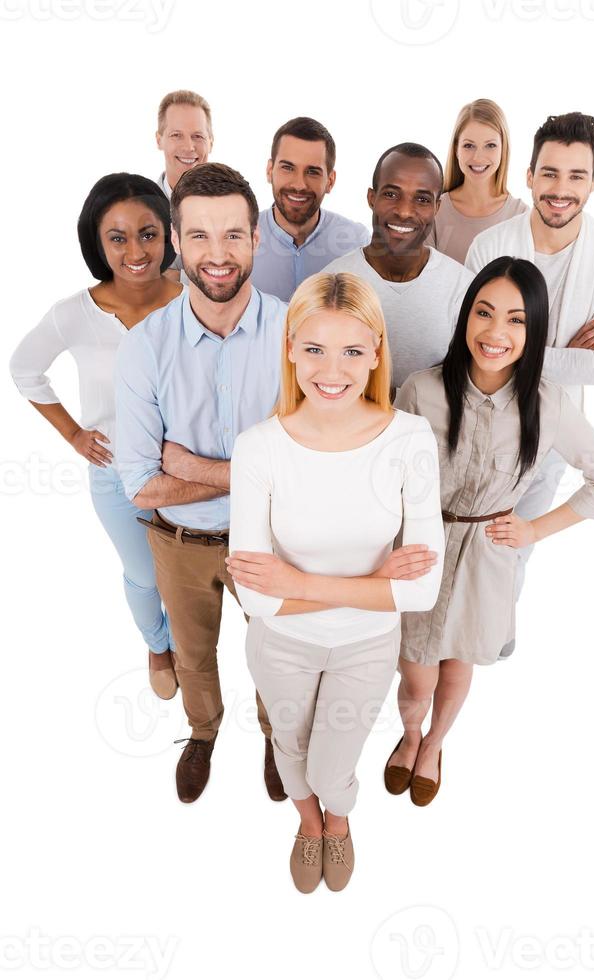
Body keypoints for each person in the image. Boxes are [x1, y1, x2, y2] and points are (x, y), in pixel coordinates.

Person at [384, 257, 594, 806]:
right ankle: (409, 735)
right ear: (465, 317)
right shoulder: (421, 390)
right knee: (415, 678)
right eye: (484, 313)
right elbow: (386, 478)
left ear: (534, 330)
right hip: (423, 552)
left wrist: (535, 531)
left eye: (516, 320)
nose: (496, 333)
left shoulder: (547, 404)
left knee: (457, 668)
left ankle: (434, 747)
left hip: (489, 558)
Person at [226, 272, 444, 892]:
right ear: (290, 348)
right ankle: (309, 824)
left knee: (332, 761)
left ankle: (339, 822)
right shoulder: (258, 448)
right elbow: (256, 596)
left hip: (365, 646)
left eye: (352, 351)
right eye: (315, 348)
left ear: (376, 353)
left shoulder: (409, 439)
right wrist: (375, 582)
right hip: (280, 645)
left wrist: (296, 580)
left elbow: (421, 593)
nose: (333, 370)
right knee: (289, 749)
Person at [114, 163, 288, 805]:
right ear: (176, 243)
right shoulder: (144, 348)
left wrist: (190, 468)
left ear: (256, 239)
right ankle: (202, 732)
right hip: (178, 542)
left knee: (277, 649)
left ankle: (280, 737)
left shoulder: (295, 334)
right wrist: (248, 475)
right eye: (200, 237)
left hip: (267, 537)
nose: (218, 256)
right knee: (192, 653)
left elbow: (307, 468)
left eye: (234, 236)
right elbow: (140, 485)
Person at [9, 174, 182, 699]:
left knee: (187, 575)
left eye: (149, 234)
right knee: (146, 576)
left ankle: (195, 653)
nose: (136, 251)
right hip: (116, 477)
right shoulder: (73, 314)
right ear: (98, 243)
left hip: (190, 472)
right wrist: (74, 435)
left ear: (170, 236)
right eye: (119, 237)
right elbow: (24, 370)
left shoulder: (194, 297)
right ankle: (158, 646)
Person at [466, 112, 594, 628]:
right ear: (530, 177)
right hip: (479, 422)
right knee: (466, 539)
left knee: (514, 547)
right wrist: (558, 351)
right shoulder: (491, 247)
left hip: (549, 431)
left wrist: (512, 347)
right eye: (550, 174)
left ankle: (492, 636)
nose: (561, 190)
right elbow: (469, 347)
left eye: (576, 176)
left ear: (593, 183)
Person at [322, 142, 474, 394]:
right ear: (372, 198)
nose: (404, 211)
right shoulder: (331, 283)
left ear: (437, 207)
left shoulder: (463, 288)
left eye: (422, 199)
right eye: (391, 194)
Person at [251, 116, 369, 302]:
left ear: (330, 181)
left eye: (312, 172)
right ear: (269, 171)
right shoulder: (237, 238)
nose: (299, 184)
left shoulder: (357, 243)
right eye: (288, 168)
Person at [425, 98, 527, 264]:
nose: (478, 157)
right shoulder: (435, 211)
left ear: (503, 148)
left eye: (490, 145)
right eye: (469, 146)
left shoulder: (520, 214)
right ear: (456, 149)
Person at [155, 89, 214, 274]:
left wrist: (176, 278)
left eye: (198, 136)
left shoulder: (236, 206)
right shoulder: (138, 209)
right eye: (176, 135)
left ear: (210, 142)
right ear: (159, 140)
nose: (189, 147)